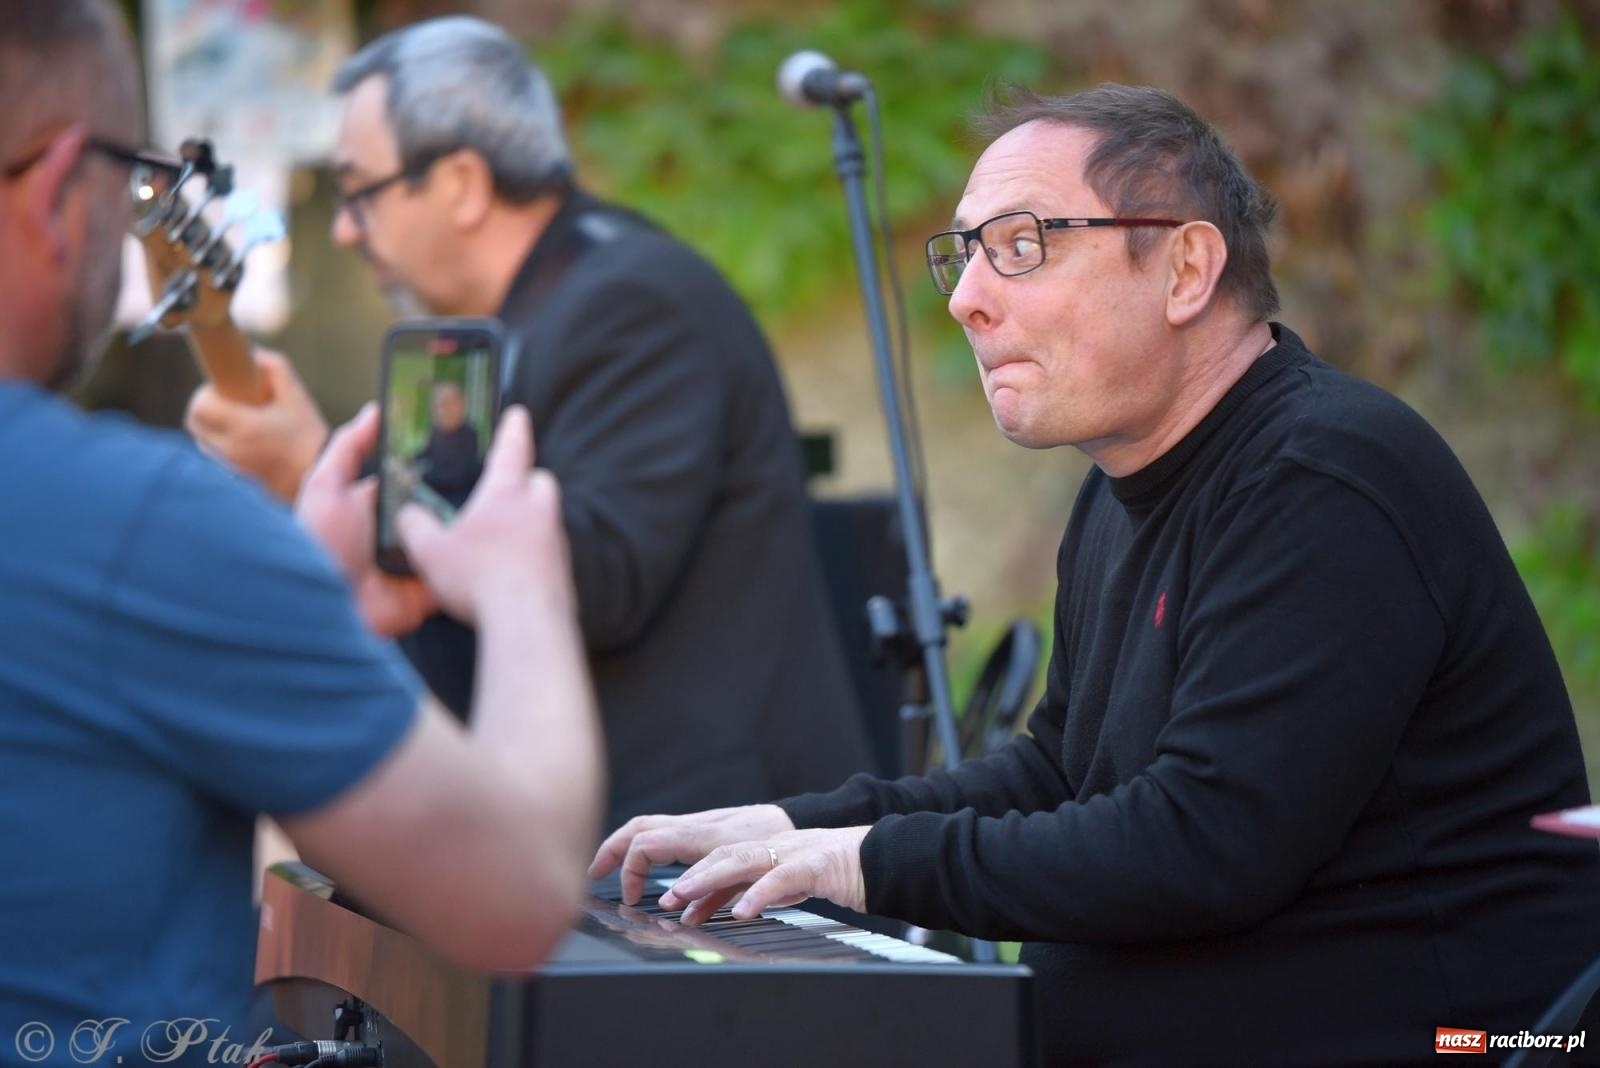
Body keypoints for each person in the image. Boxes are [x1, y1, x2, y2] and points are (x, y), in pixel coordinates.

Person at [591, 84, 1600, 1066]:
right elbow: (1062, 776)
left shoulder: (1322, 475)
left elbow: (1204, 845)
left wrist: (858, 864)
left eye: (1020, 245)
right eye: (963, 255)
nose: (966, 299)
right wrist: (795, 828)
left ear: (1185, 269)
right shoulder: (1121, 490)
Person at [0, 1, 603, 1056]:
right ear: (58, 188)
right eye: (131, 180)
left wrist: (294, 587)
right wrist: (521, 585)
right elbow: (515, 901)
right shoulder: (144, 527)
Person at [186, 16, 873, 828]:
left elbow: (596, 582)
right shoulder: (530, 316)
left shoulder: (635, 302)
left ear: (462, 183)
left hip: (712, 847)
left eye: (359, 192)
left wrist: (320, 472)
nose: (342, 228)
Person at [411, 379, 481, 508]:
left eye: (447, 404)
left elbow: (455, 476)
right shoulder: (436, 431)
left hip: (457, 502)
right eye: (438, 405)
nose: (443, 410)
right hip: (434, 497)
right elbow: (426, 453)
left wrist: (420, 476)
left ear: (461, 406)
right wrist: (408, 464)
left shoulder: (469, 435)